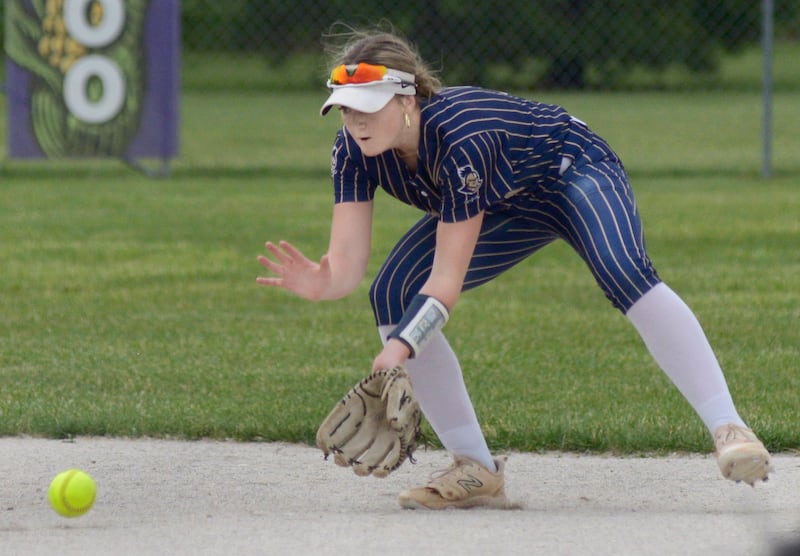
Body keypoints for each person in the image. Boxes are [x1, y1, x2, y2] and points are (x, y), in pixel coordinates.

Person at [257, 29, 771, 510]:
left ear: (408, 100)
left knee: (623, 272)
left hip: (572, 171)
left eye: (368, 107)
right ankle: (476, 469)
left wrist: (400, 347)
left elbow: (444, 284)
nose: (357, 121)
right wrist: (324, 282)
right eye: (345, 109)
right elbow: (347, 266)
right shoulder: (352, 150)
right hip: (501, 204)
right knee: (390, 293)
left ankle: (730, 428)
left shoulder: (460, 139)